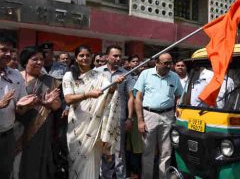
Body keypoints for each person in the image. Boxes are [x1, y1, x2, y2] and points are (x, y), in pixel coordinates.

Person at [62, 45, 122, 179]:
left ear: (92, 57)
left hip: (94, 126)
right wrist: (88, 94)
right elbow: (68, 98)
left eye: (88, 55)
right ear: (76, 58)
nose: (85, 58)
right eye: (81, 55)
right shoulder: (69, 75)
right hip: (77, 125)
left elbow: (110, 91)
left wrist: (115, 84)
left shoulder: (98, 75)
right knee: (75, 163)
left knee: (92, 162)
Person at [134, 53, 183, 179]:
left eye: (170, 62)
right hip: (149, 115)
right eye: (165, 63)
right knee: (148, 152)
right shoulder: (146, 74)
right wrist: (140, 121)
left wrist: (178, 104)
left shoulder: (174, 76)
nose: (168, 65)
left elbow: (179, 95)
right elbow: (138, 98)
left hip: (168, 116)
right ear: (157, 63)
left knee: (166, 152)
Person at [17, 46, 62, 179]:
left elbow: (57, 106)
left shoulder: (50, 81)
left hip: (40, 126)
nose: (39, 62)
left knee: (36, 160)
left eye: (41, 59)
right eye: (34, 59)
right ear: (25, 61)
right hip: (17, 123)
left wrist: (48, 103)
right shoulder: (16, 77)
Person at [0, 37, 35, 178]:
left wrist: (24, 106)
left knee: (5, 172)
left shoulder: (15, 74)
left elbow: (21, 104)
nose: (8, 54)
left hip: (7, 136)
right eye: (3, 50)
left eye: (11, 51)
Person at [96, 45, 129, 179]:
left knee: (118, 150)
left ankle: (121, 176)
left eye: (120, 56)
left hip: (119, 117)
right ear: (107, 57)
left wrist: (129, 118)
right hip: (100, 116)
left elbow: (131, 97)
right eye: (115, 56)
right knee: (103, 148)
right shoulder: (96, 72)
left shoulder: (126, 74)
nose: (118, 58)